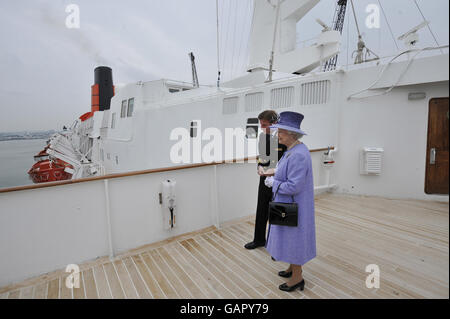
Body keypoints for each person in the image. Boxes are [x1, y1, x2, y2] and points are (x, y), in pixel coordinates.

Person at [264, 111, 316, 292]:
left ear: (292, 134)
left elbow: (294, 186)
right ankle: (291, 268)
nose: (278, 135)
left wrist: (272, 182)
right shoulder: (293, 150)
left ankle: (297, 278)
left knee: (294, 239)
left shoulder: (298, 155)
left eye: (281, 132)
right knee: (289, 239)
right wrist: (274, 173)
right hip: (289, 203)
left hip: (294, 204)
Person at [244, 110, 287, 250]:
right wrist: (259, 168)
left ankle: (277, 244)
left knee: (277, 212)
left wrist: (272, 173)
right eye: (260, 125)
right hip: (264, 179)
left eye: (264, 124)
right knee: (261, 209)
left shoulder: (282, 138)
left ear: (274, 123)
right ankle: (259, 240)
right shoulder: (263, 137)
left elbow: (284, 161)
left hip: (278, 179)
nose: (262, 128)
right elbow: (262, 158)